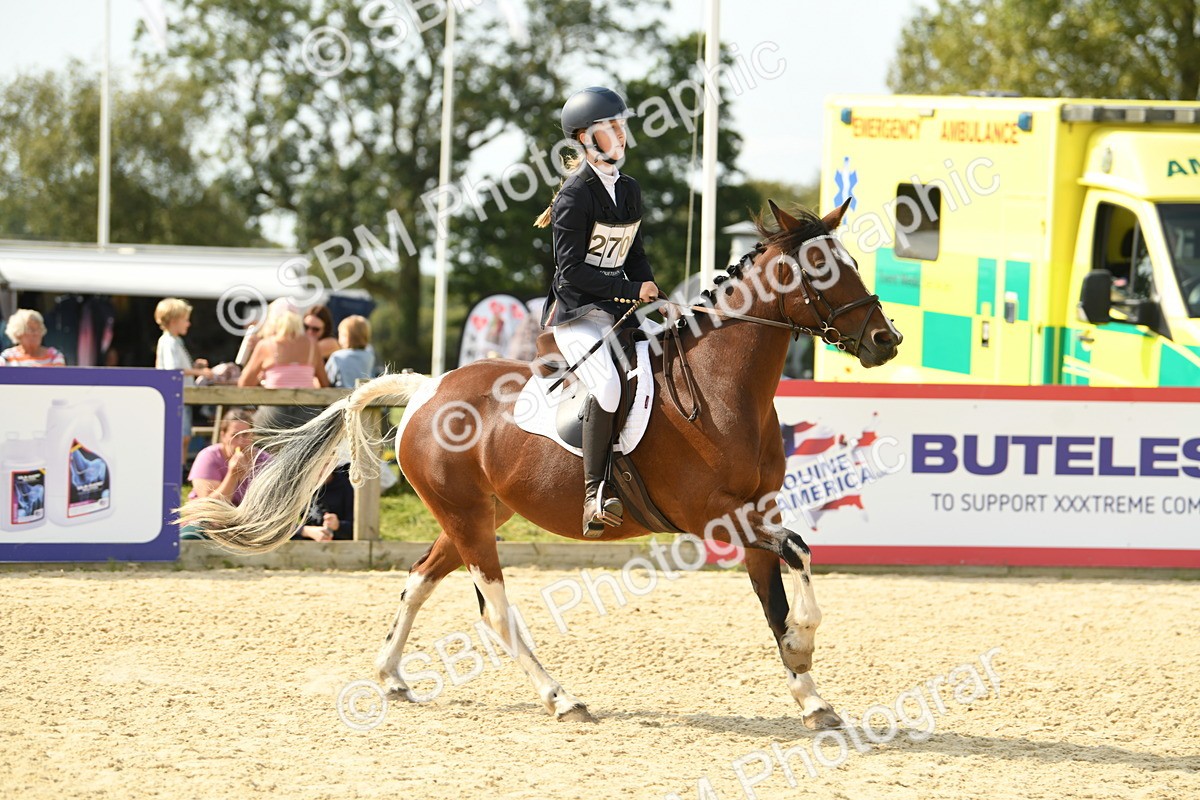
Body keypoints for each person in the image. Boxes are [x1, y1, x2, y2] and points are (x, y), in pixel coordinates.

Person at [533, 86, 664, 537]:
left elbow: (634, 254)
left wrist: (654, 292)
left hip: (619, 311)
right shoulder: (574, 196)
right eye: (611, 127)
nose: (622, 134)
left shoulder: (628, 189)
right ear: (587, 139)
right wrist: (631, 289)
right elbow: (571, 273)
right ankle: (594, 493)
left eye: (622, 125)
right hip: (576, 315)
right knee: (607, 387)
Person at [183, 407, 269, 538]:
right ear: (223, 435)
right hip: (209, 525)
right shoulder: (208, 457)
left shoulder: (263, 460)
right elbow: (210, 507)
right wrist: (232, 475)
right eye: (235, 435)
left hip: (249, 526)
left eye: (245, 435)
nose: (240, 441)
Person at [155, 298, 213, 466]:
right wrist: (199, 372)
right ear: (174, 321)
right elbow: (173, 370)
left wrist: (194, 367)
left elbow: (178, 368)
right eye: (185, 320)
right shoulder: (169, 342)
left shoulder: (174, 341)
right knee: (181, 436)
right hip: (177, 396)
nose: (188, 324)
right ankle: (177, 469)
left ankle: (179, 468)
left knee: (184, 436)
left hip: (182, 395)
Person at [292, 464, 355, 541]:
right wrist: (306, 531)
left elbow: (358, 529)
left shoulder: (346, 485)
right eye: (315, 464)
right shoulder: (297, 485)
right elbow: (282, 526)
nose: (320, 470)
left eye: (326, 464)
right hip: (303, 546)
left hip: (340, 546)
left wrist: (338, 525)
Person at [1, 309, 67, 366]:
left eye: (39, 329)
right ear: (18, 333)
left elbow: (60, 376)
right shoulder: (7, 356)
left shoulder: (54, 355)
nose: (36, 333)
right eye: (32, 329)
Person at [325, 315, 375, 387]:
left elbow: (327, 380)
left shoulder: (337, 357)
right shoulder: (369, 355)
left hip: (340, 393)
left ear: (346, 336)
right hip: (362, 392)